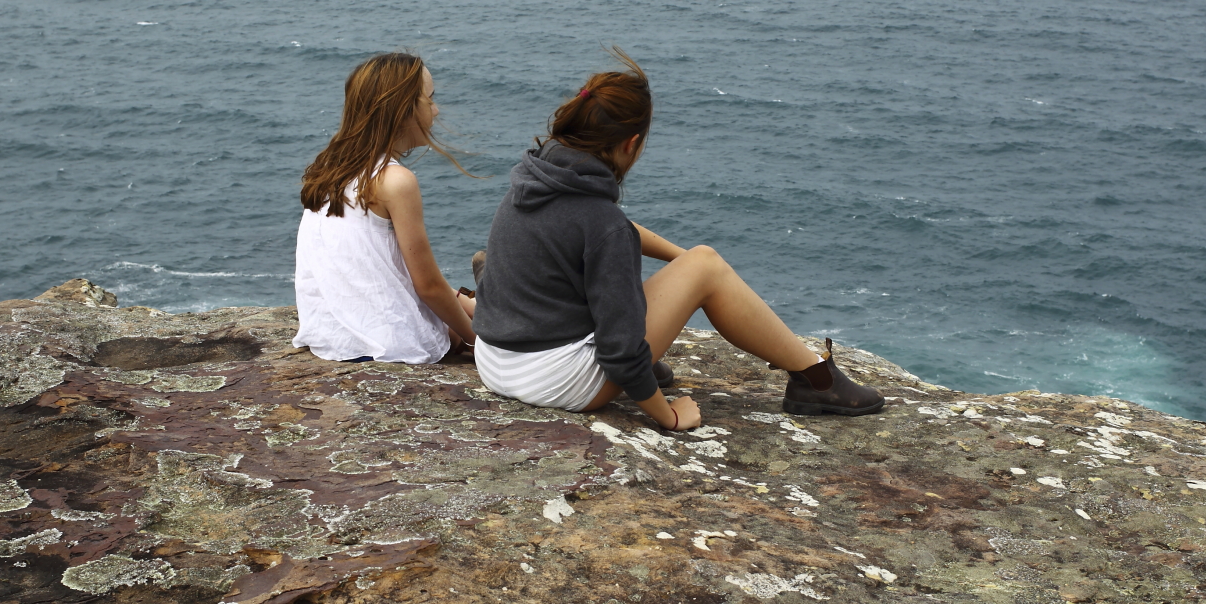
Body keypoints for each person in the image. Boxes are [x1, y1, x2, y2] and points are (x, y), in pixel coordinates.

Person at [471, 49, 883, 431]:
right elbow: (620, 348)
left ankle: (711, 294)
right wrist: (666, 414)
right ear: (631, 144)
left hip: (495, 360)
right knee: (703, 265)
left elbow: (603, 231)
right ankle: (816, 379)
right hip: (556, 382)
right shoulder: (601, 222)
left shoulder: (535, 180)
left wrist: (684, 263)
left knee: (698, 265)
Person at [292, 52, 476, 363]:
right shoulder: (395, 181)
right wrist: (476, 342)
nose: (436, 109)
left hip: (330, 330)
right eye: (429, 99)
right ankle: (492, 301)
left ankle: (483, 299)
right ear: (402, 111)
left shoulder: (332, 166)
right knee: (482, 325)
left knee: (469, 306)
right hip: (379, 340)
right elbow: (428, 286)